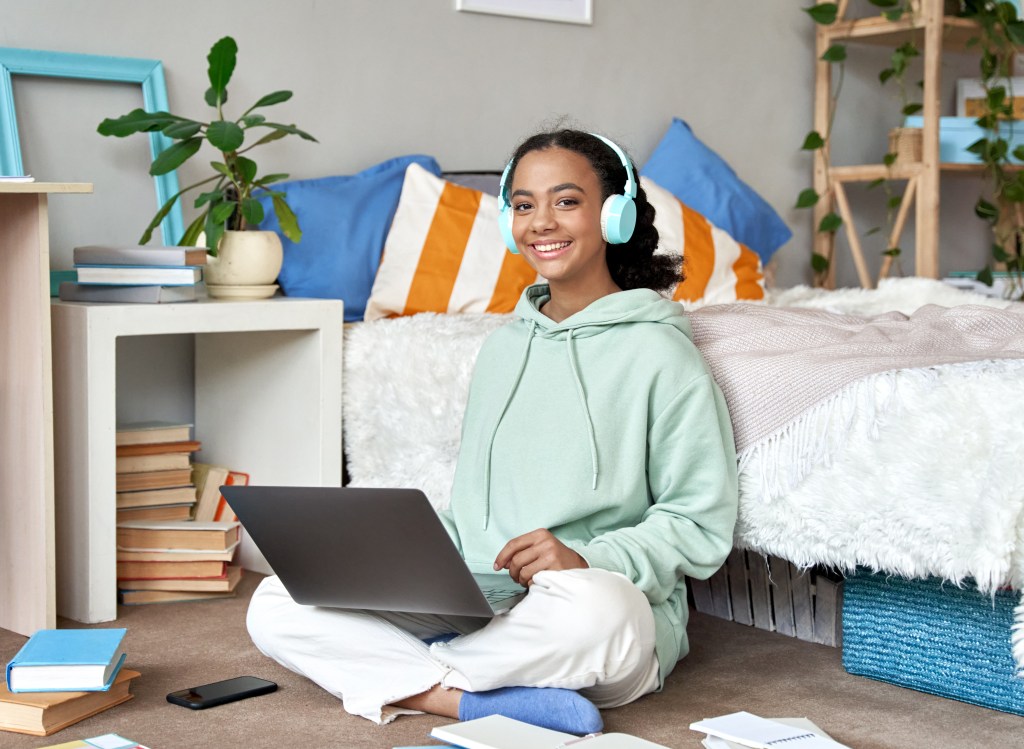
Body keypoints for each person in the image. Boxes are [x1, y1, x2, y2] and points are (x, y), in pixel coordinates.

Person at [246, 129, 739, 735]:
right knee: (274, 602)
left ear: (614, 215)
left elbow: (698, 522)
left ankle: (409, 678)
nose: (541, 222)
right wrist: (417, 561)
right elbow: (477, 504)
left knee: (602, 612)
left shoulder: (662, 353)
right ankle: (464, 698)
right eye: (524, 205)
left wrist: (587, 557)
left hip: (582, 607)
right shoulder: (504, 347)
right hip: (477, 608)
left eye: (565, 201)